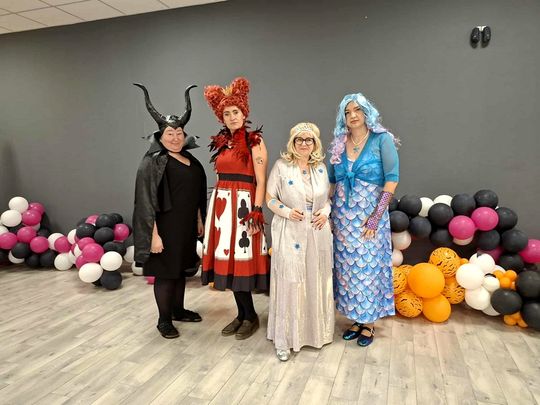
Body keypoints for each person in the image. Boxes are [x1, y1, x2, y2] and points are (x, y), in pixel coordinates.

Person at [132, 83, 207, 339]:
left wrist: (199, 219)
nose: (175, 138)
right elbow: (145, 200)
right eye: (169, 134)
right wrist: (153, 235)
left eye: (179, 133)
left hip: (185, 227)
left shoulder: (190, 160)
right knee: (165, 273)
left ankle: (178, 310)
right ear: (160, 136)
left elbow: (196, 193)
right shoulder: (152, 162)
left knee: (179, 269)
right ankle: (163, 320)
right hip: (163, 228)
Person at [328, 92, 400, 346]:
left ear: (367, 112)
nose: (353, 115)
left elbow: (392, 179)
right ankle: (357, 320)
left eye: (357, 110)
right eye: (347, 112)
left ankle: (369, 324)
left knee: (367, 270)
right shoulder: (339, 143)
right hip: (342, 220)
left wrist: (375, 217)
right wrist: (327, 214)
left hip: (369, 218)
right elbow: (332, 182)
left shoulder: (381, 140)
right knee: (348, 272)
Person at [201, 77, 269, 340]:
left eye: (235, 112)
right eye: (227, 114)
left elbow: (261, 180)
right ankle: (241, 314)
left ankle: (250, 316)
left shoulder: (255, 142)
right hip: (222, 208)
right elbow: (219, 177)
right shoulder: (222, 142)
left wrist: (256, 211)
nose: (231, 117)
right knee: (227, 263)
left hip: (244, 207)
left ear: (244, 113)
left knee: (242, 263)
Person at [266, 122, 334, 361]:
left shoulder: (321, 169)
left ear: (315, 143)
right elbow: (269, 198)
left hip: (317, 231)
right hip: (290, 230)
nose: (304, 144)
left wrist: (326, 212)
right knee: (290, 282)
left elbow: (328, 199)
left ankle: (314, 334)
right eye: (299, 139)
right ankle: (285, 339)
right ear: (292, 143)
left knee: (315, 279)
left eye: (309, 140)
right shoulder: (281, 166)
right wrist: (286, 211)